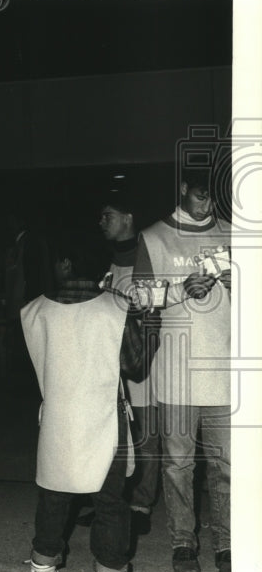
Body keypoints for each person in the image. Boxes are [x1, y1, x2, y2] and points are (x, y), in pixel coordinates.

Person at [21, 229, 159, 572]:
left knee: (53, 494)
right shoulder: (116, 308)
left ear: (66, 264)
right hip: (104, 419)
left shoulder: (33, 310)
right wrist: (151, 323)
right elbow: (135, 365)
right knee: (111, 500)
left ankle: (43, 567)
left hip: (56, 416)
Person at [133, 167, 232, 572]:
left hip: (225, 370)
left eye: (213, 195)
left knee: (227, 463)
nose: (207, 202)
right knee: (178, 465)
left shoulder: (233, 233)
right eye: (200, 194)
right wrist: (179, 290)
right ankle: (183, 541)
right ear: (183, 190)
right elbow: (137, 298)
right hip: (175, 373)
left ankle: (227, 542)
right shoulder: (154, 236)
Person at [97, 192, 160, 539]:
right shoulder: (111, 259)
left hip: (141, 360)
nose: (102, 222)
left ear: (128, 217)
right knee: (116, 434)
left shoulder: (146, 256)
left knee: (145, 433)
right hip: (111, 360)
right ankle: (113, 502)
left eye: (108, 215)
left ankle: (141, 505)